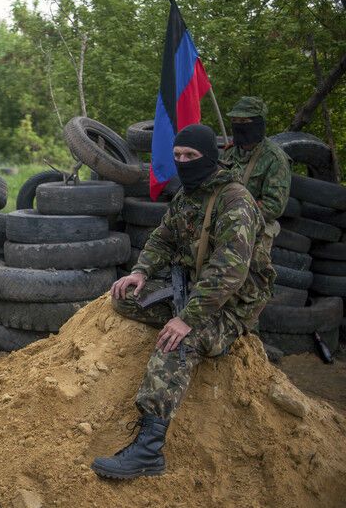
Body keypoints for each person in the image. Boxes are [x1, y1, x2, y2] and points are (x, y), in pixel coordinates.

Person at [90, 124, 274, 480]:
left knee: (178, 340)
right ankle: (177, 319)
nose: (183, 162)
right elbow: (163, 237)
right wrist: (141, 272)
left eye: (190, 156)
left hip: (231, 304)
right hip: (194, 289)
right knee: (126, 299)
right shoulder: (188, 195)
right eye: (177, 156)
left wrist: (186, 318)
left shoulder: (234, 201)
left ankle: (148, 451)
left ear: (209, 157)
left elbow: (229, 272)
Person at [222, 96, 291, 245]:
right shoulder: (229, 153)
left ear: (258, 122)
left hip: (255, 226)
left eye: (244, 122)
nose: (238, 125)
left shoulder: (274, 158)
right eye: (234, 121)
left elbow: (273, 206)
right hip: (223, 220)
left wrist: (235, 212)